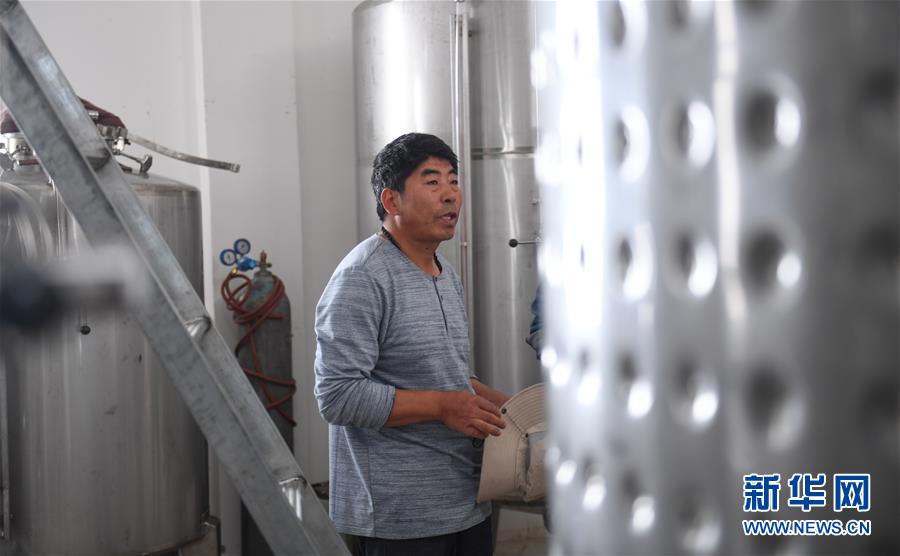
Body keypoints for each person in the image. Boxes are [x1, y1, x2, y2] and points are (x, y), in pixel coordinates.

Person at [314, 132, 510, 555]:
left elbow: (450, 376)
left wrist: (514, 409)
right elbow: (337, 396)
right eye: (432, 181)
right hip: (400, 518)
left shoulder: (445, 272)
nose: (451, 194)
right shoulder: (362, 277)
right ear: (392, 201)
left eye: (454, 180)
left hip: (467, 501)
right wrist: (442, 407)